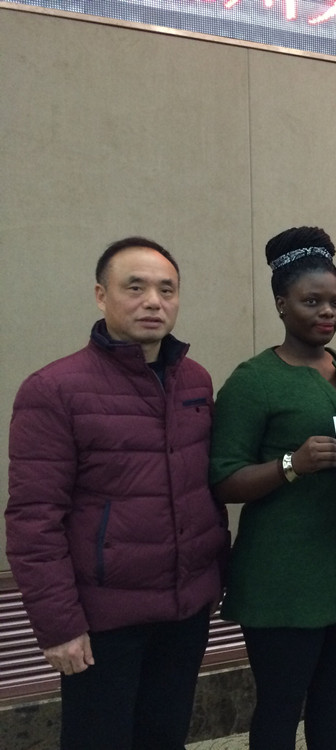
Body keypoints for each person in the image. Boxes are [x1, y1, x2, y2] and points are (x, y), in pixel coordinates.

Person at [6, 237, 229, 750]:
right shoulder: (54, 389)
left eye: (166, 289)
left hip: (185, 611)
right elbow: (33, 519)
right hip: (103, 619)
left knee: (165, 737)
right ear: (100, 296)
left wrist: (215, 576)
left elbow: (203, 487)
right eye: (135, 287)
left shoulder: (194, 380)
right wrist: (59, 627)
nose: (153, 301)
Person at [209, 227, 336, 750]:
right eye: (311, 301)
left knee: (334, 696)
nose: (327, 312)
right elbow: (223, 479)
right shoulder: (253, 381)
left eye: (335, 302)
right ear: (281, 304)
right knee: (281, 704)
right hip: (284, 576)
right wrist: (291, 464)